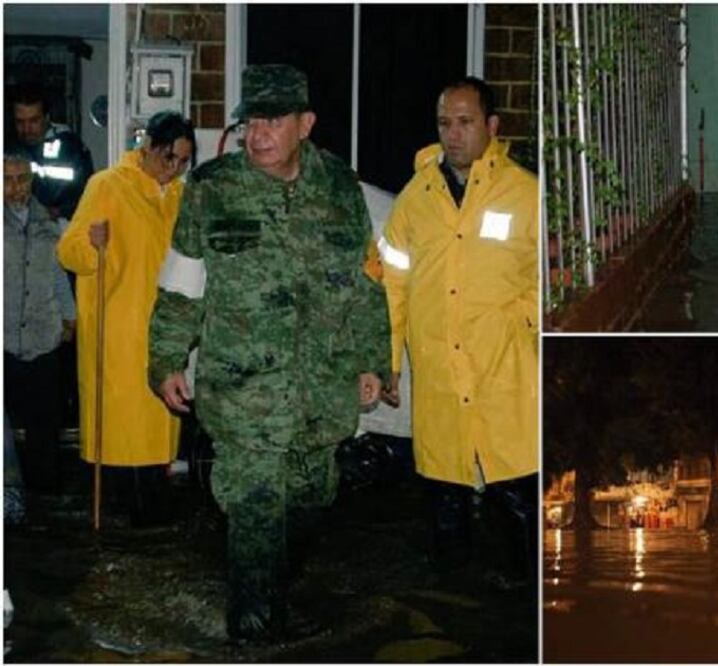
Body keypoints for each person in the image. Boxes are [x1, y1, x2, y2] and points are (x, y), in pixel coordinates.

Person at [148, 64, 390, 643]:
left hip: (320, 390)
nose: (258, 133)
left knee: (309, 499)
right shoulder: (211, 189)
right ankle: (254, 638)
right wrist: (165, 360)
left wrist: (374, 361)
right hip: (244, 392)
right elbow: (182, 285)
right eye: (251, 120)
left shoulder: (340, 189)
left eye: (273, 120)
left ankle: (273, 596)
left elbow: (366, 283)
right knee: (255, 515)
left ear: (305, 124)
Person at [380, 77, 538, 585]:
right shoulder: (415, 198)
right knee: (444, 487)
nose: (454, 134)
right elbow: (392, 284)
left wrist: (519, 323)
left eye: (465, 122)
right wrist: (389, 360)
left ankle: (526, 593)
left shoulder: (523, 193)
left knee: (514, 484)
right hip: (440, 369)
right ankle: (454, 601)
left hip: (503, 368)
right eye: (445, 123)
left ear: (491, 126)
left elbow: (547, 278)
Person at [56, 111, 195, 526]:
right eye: (168, 157)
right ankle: (121, 514)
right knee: (120, 428)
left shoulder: (180, 197)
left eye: (184, 161)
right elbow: (67, 250)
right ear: (147, 147)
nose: (174, 169)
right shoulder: (107, 185)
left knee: (157, 422)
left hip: (161, 329)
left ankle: (151, 509)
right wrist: (91, 244)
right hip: (116, 328)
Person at [4, 148, 75, 495]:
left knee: (44, 425)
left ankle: (44, 498)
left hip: (42, 334)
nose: (16, 188)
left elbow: (60, 275)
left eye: (22, 179)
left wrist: (69, 316)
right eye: (7, 180)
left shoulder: (50, 223)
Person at [9, 83, 95, 221]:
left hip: (60, 226)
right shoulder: (10, 149)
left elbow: (88, 194)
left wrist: (59, 211)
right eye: (20, 122)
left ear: (47, 117)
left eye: (33, 121)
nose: (27, 129)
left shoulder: (69, 147)